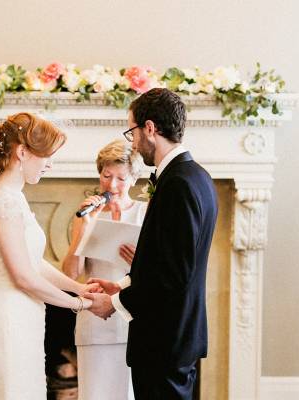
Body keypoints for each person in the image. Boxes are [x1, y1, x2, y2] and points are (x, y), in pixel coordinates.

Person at [84, 88, 218, 400]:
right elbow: (165, 260)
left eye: (132, 131)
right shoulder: (195, 176)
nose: (132, 141)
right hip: (174, 336)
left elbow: (173, 275)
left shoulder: (178, 184)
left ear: (150, 129)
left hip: (164, 340)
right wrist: (123, 284)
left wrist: (115, 303)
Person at [0, 112, 101, 400]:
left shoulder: (12, 196)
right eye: (46, 156)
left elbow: (33, 263)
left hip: (23, 317)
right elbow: (23, 277)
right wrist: (78, 304)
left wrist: (79, 287)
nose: (50, 164)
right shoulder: (5, 201)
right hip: (9, 321)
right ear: (22, 152)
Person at [62, 139, 146, 400]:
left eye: (121, 178)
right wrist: (83, 232)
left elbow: (159, 273)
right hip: (94, 320)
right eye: (106, 176)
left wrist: (138, 263)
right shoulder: (88, 214)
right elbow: (69, 275)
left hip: (133, 319)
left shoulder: (146, 213)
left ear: (133, 178)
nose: (112, 185)